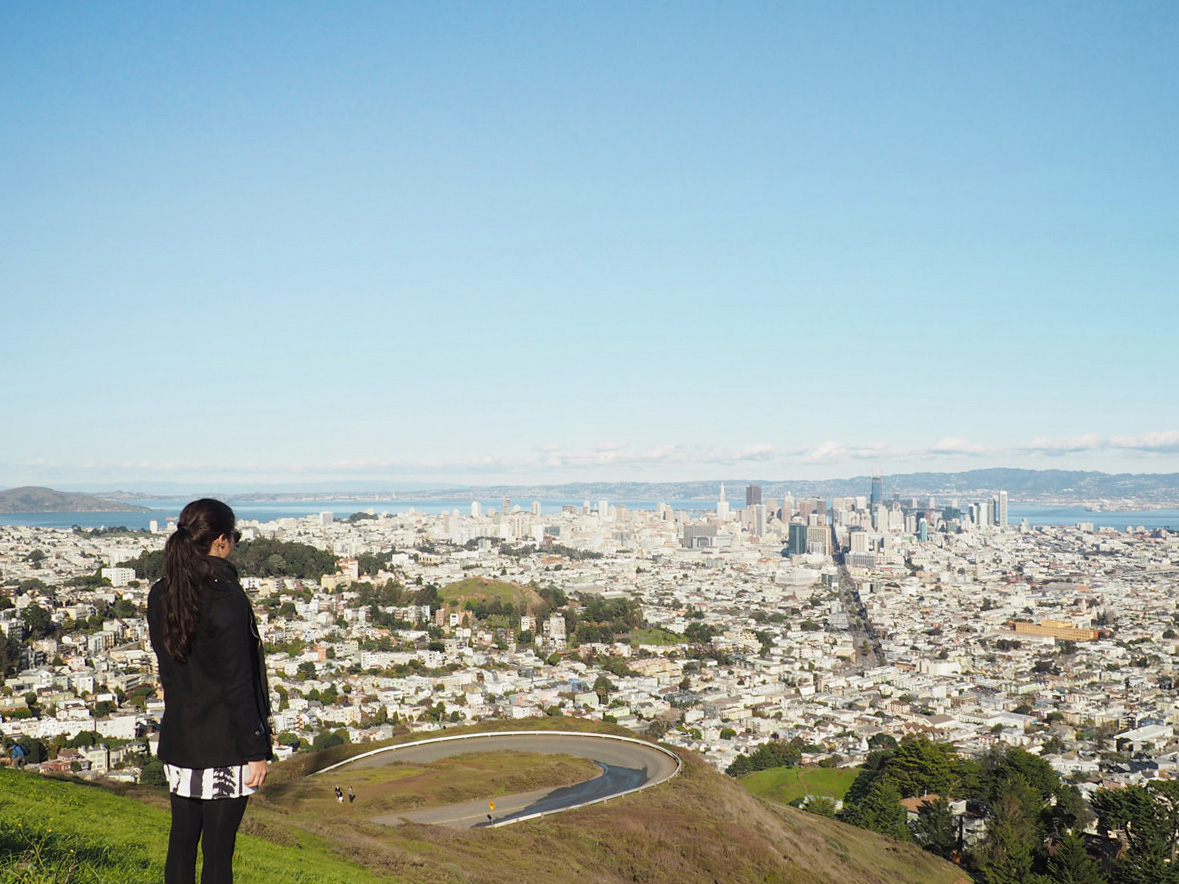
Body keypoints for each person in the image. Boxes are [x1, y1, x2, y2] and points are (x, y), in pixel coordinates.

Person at [147, 499, 273, 884]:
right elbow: (239, 681)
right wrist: (256, 749)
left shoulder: (160, 593)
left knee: (181, 842)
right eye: (232, 537)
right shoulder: (226, 598)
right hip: (226, 745)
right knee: (219, 851)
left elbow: (171, 669)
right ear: (220, 541)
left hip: (181, 737)